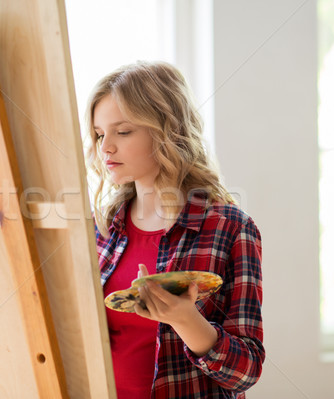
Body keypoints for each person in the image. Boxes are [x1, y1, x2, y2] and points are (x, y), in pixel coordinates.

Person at [85, 61, 265, 399]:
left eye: (122, 132)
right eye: (98, 134)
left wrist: (186, 321)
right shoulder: (102, 227)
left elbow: (246, 372)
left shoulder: (230, 227)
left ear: (167, 130)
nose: (105, 147)